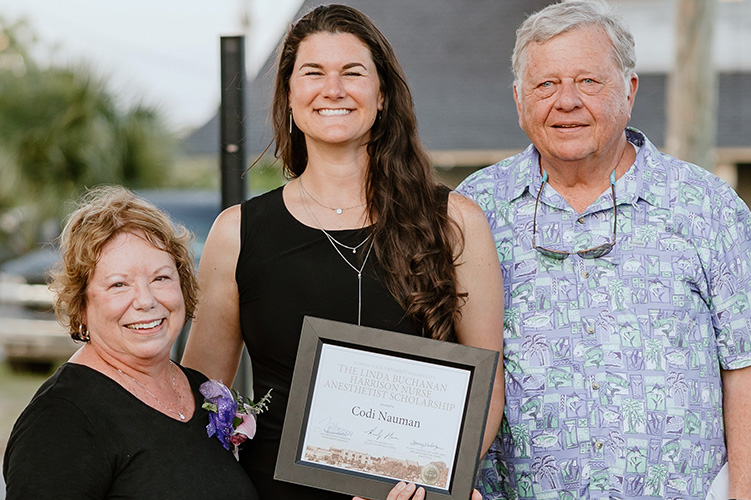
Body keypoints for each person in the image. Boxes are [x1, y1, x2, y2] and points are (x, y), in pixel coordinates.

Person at [456, 1, 751, 499]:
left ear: (629, 90)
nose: (566, 101)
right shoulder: (472, 209)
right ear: (518, 99)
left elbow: (747, 367)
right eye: (545, 84)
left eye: (589, 82)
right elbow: (445, 358)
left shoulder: (707, 206)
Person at [181, 4, 504, 500]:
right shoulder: (238, 233)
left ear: (382, 96)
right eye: (313, 73)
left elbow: (487, 384)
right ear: (290, 96)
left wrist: (438, 487)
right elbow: (203, 395)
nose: (333, 89)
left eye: (352, 73)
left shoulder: (455, 222)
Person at [3, 186, 259, 499]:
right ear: (81, 304)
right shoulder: (61, 420)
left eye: (161, 278)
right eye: (119, 284)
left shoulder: (201, 392)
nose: (146, 300)